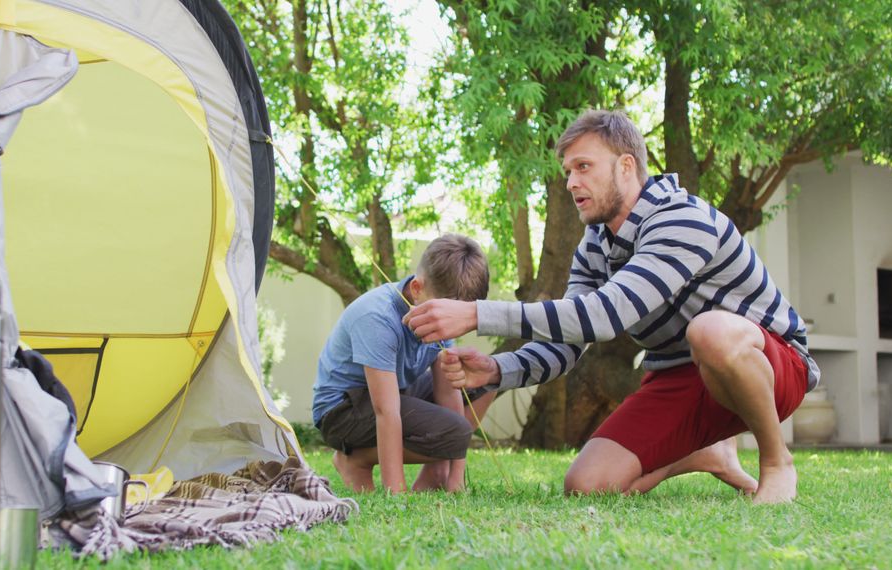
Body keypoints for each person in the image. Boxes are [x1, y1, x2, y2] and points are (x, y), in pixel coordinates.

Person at [404, 110, 819, 504]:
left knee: (710, 331)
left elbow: (607, 314)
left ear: (625, 166)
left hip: (772, 365)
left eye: (584, 167)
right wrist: (497, 371)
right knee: (586, 485)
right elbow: (570, 338)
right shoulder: (594, 245)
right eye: (568, 171)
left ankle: (776, 462)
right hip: (678, 376)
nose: (571, 182)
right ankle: (704, 454)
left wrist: (476, 313)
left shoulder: (681, 218)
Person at [312, 234, 495, 493]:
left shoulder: (439, 312)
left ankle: (438, 472)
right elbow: (386, 411)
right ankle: (355, 460)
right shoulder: (378, 318)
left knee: (486, 380)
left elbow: (449, 393)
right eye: (447, 312)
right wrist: (396, 492)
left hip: (395, 390)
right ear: (417, 289)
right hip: (342, 409)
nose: (452, 323)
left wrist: (456, 476)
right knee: (454, 430)